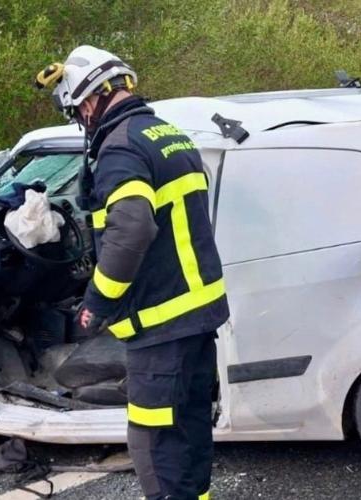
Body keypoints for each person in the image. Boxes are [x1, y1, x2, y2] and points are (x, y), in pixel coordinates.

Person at [36, 46, 229, 500]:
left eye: (77, 113)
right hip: (196, 320)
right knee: (188, 432)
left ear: (88, 100)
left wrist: (97, 302)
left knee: (154, 444)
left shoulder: (120, 148)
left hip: (161, 329)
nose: (82, 123)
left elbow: (132, 228)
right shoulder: (166, 134)